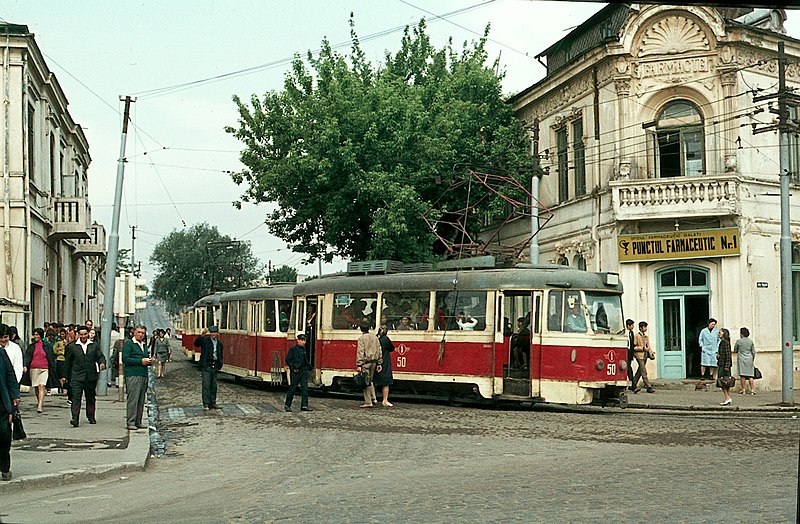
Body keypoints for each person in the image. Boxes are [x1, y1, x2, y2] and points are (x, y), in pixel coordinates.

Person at [64, 325, 106, 426]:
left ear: (88, 334)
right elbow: (67, 363)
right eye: (81, 334)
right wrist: (65, 376)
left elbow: (100, 356)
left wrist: (102, 363)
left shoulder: (94, 345)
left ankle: (91, 416)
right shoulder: (72, 346)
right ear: (78, 335)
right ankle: (75, 418)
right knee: (76, 397)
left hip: (90, 376)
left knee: (90, 397)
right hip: (77, 376)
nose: (83, 336)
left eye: (85, 334)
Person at [122, 325, 154, 430]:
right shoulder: (129, 344)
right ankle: (130, 422)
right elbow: (125, 359)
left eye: (142, 333)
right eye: (139, 332)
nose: (140, 335)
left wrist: (149, 361)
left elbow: (144, 358)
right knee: (133, 399)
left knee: (141, 399)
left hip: (143, 374)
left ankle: (138, 421)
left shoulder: (144, 345)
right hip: (133, 374)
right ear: (134, 332)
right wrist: (140, 361)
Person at [23, 328, 57, 414]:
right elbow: (27, 357)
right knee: (36, 387)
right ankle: (39, 401)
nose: (35, 336)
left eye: (37, 335)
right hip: (33, 368)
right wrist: (25, 366)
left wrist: (53, 368)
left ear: (41, 336)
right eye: (34, 335)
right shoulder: (31, 346)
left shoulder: (47, 346)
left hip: (44, 368)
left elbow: (51, 357)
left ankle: (40, 405)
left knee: (41, 386)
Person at [0, 346, 20, 481]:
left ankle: (5, 467)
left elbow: (10, 375)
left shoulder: (1, 353)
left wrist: (14, 395)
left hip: (1, 402)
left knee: (4, 434)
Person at [197, 325, 223, 410]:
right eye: (211, 332)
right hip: (207, 365)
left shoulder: (219, 344)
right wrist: (201, 336)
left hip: (214, 365)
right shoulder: (205, 341)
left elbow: (220, 354)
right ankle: (206, 403)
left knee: (214, 385)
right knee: (206, 385)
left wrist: (220, 364)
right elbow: (196, 344)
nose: (213, 334)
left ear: (217, 333)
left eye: (214, 332)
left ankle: (213, 402)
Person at [356, 321, 382, 407]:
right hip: (374, 362)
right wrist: (379, 363)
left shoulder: (361, 338)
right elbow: (379, 350)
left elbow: (360, 352)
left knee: (365, 382)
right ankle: (374, 398)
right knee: (370, 380)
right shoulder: (375, 338)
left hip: (366, 362)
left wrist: (359, 364)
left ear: (361, 329)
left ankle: (368, 402)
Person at [284, 334, 312, 412]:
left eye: (304, 340)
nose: (303, 342)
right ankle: (287, 405)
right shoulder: (293, 349)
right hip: (296, 371)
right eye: (302, 340)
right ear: (298, 340)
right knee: (292, 388)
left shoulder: (303, 349)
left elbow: (305, 360)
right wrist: (293, 368)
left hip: (303, 371)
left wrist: (309, 367)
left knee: (305, 389)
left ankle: (304, 405)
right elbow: (288, 359)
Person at [373, 326, 395, 407]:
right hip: (384, 361)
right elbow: (392, 348)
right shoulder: (385, 339)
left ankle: (373, 398)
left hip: (375, 361)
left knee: (374, 380)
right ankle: (385, 400)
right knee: (385, 382)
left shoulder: (375, 338)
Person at [631, 321, 655, 394]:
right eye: (644, 327)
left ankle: (633, 384)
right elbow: (634, 347)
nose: (646, 328)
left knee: (640, 371)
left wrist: (650, 353)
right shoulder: (637, 336)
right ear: (640, 328)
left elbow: (649, 346)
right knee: (643, 371)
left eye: (646, 327)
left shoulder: (646, 337)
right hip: (639, 355)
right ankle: (648, 386)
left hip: (645, 355)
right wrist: (642, 348)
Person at [735, 327, 757, 395]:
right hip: (749, 359)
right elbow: (753, 352)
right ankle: (752, 390)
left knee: (743, 376)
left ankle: (743, 389)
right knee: (750, 376)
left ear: (741, 334)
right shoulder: (751, 341)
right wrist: (752, 358)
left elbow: (735, 349)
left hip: (741, 359)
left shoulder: (739, 341)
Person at [718, 328, 733, 406]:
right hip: (722, 364)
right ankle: (727, 397)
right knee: (725, 382)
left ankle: (727, 397)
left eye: (720, 333)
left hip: (724, 366)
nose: (718, 334)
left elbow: (728, 355)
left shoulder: (725, 343)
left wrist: (726, 366)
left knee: (723, 382)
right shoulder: (722, 342)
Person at [108, 323, 122, 388]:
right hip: (115, 351)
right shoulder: (118, 335)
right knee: (117, 367)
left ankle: (108, 381)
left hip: (108, 350)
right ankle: (117, 382)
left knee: (109, 367)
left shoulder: (107, 334)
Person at [625, 319, 636, 388]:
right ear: (628, 326)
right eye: (632, 325)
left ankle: (632, 384)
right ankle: (633, 384)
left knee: (628, 368)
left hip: (630, 353)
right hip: (626, 351)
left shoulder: (631, 333)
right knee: (628, 368)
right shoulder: (624, 333)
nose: (633, 327)